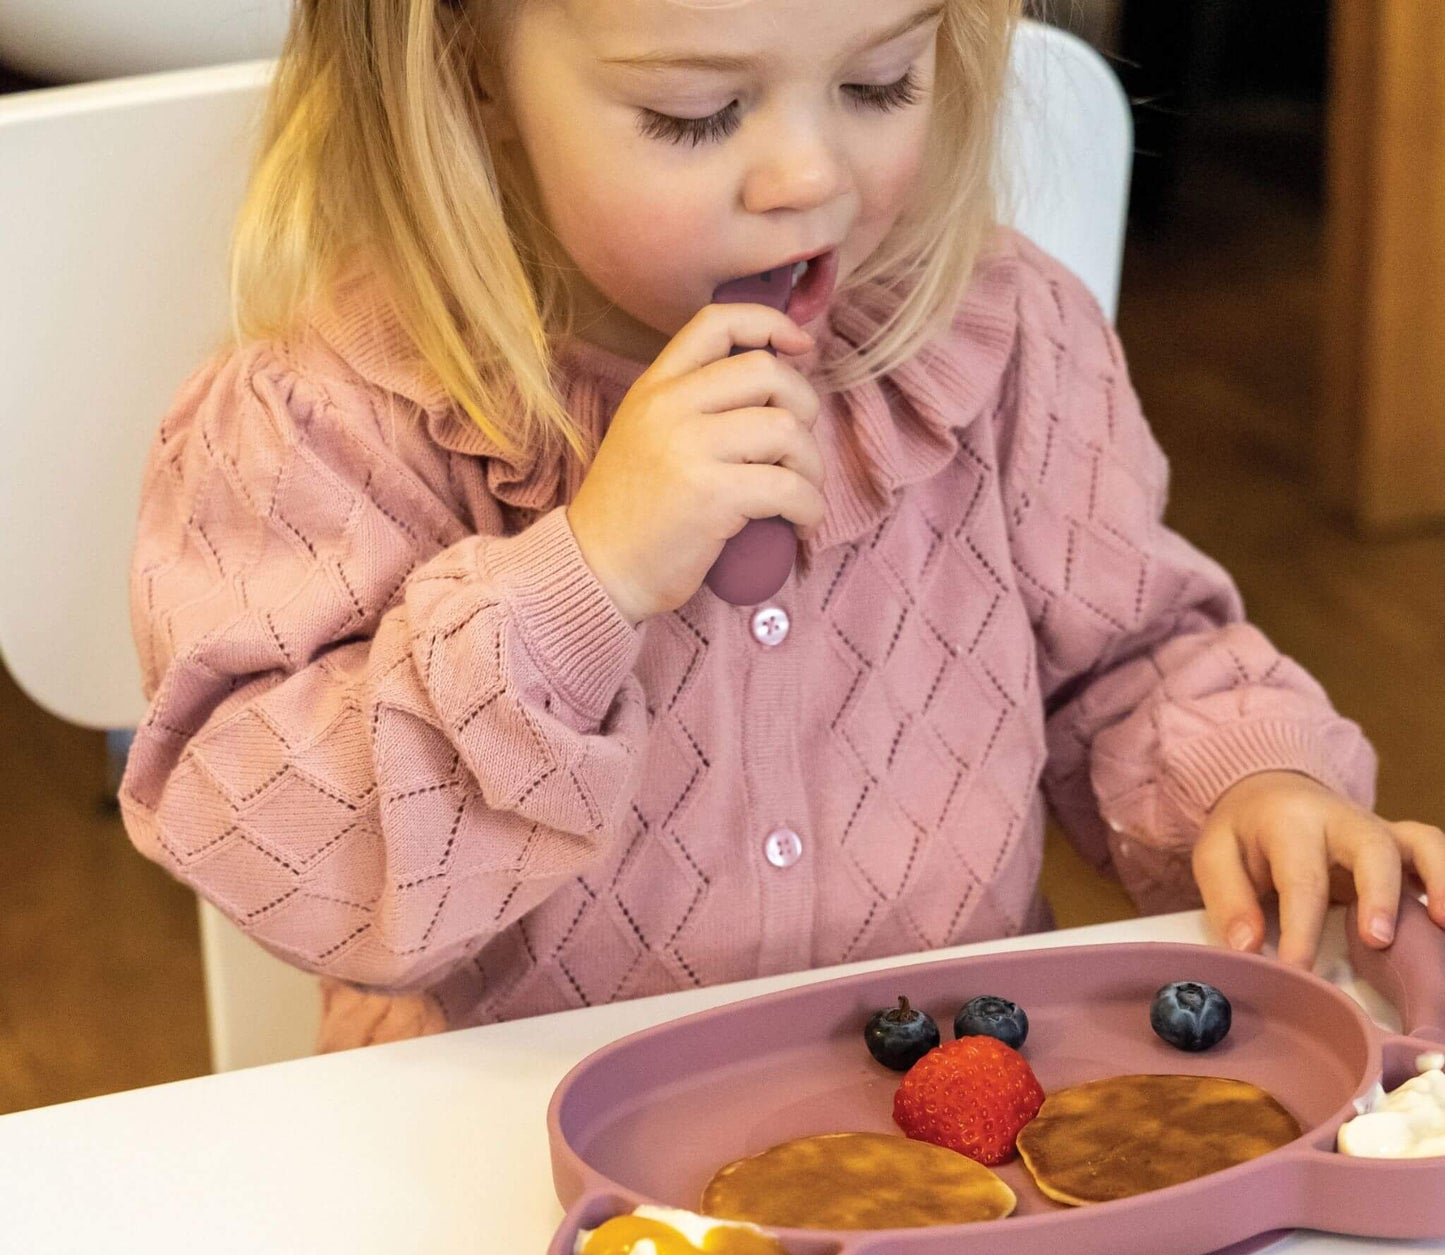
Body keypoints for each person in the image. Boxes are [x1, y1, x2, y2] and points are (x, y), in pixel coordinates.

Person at [120, 0, 1444, 1051]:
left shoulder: (997, 342)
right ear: (470, 69)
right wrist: (586, 580)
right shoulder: (324, 421)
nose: (809, 176)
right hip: (501, 1184)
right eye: (695, 114)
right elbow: (286, 849)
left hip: (947, 1136)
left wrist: (1255, 784)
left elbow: (1131, 658)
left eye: (878, 84)